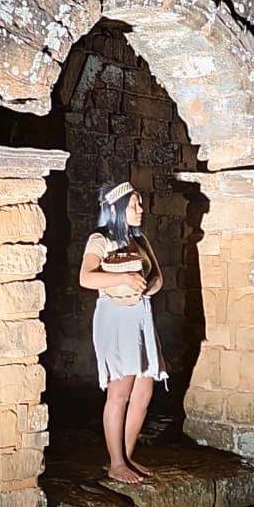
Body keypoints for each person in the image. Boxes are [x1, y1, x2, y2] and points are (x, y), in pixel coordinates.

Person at [78, 181, 167, 483]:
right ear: (116, 209)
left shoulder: (138, 239)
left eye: (140, 203)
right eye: (133, 204)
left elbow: (157, 277)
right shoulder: (100, 239)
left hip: (140, 315)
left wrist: (144, 287)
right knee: (121, 390)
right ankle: (115, 462)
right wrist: (124, 279)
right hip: (115, 317)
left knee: (144, 390)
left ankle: (127, 457)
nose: (140, 209)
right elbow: (86, 277)